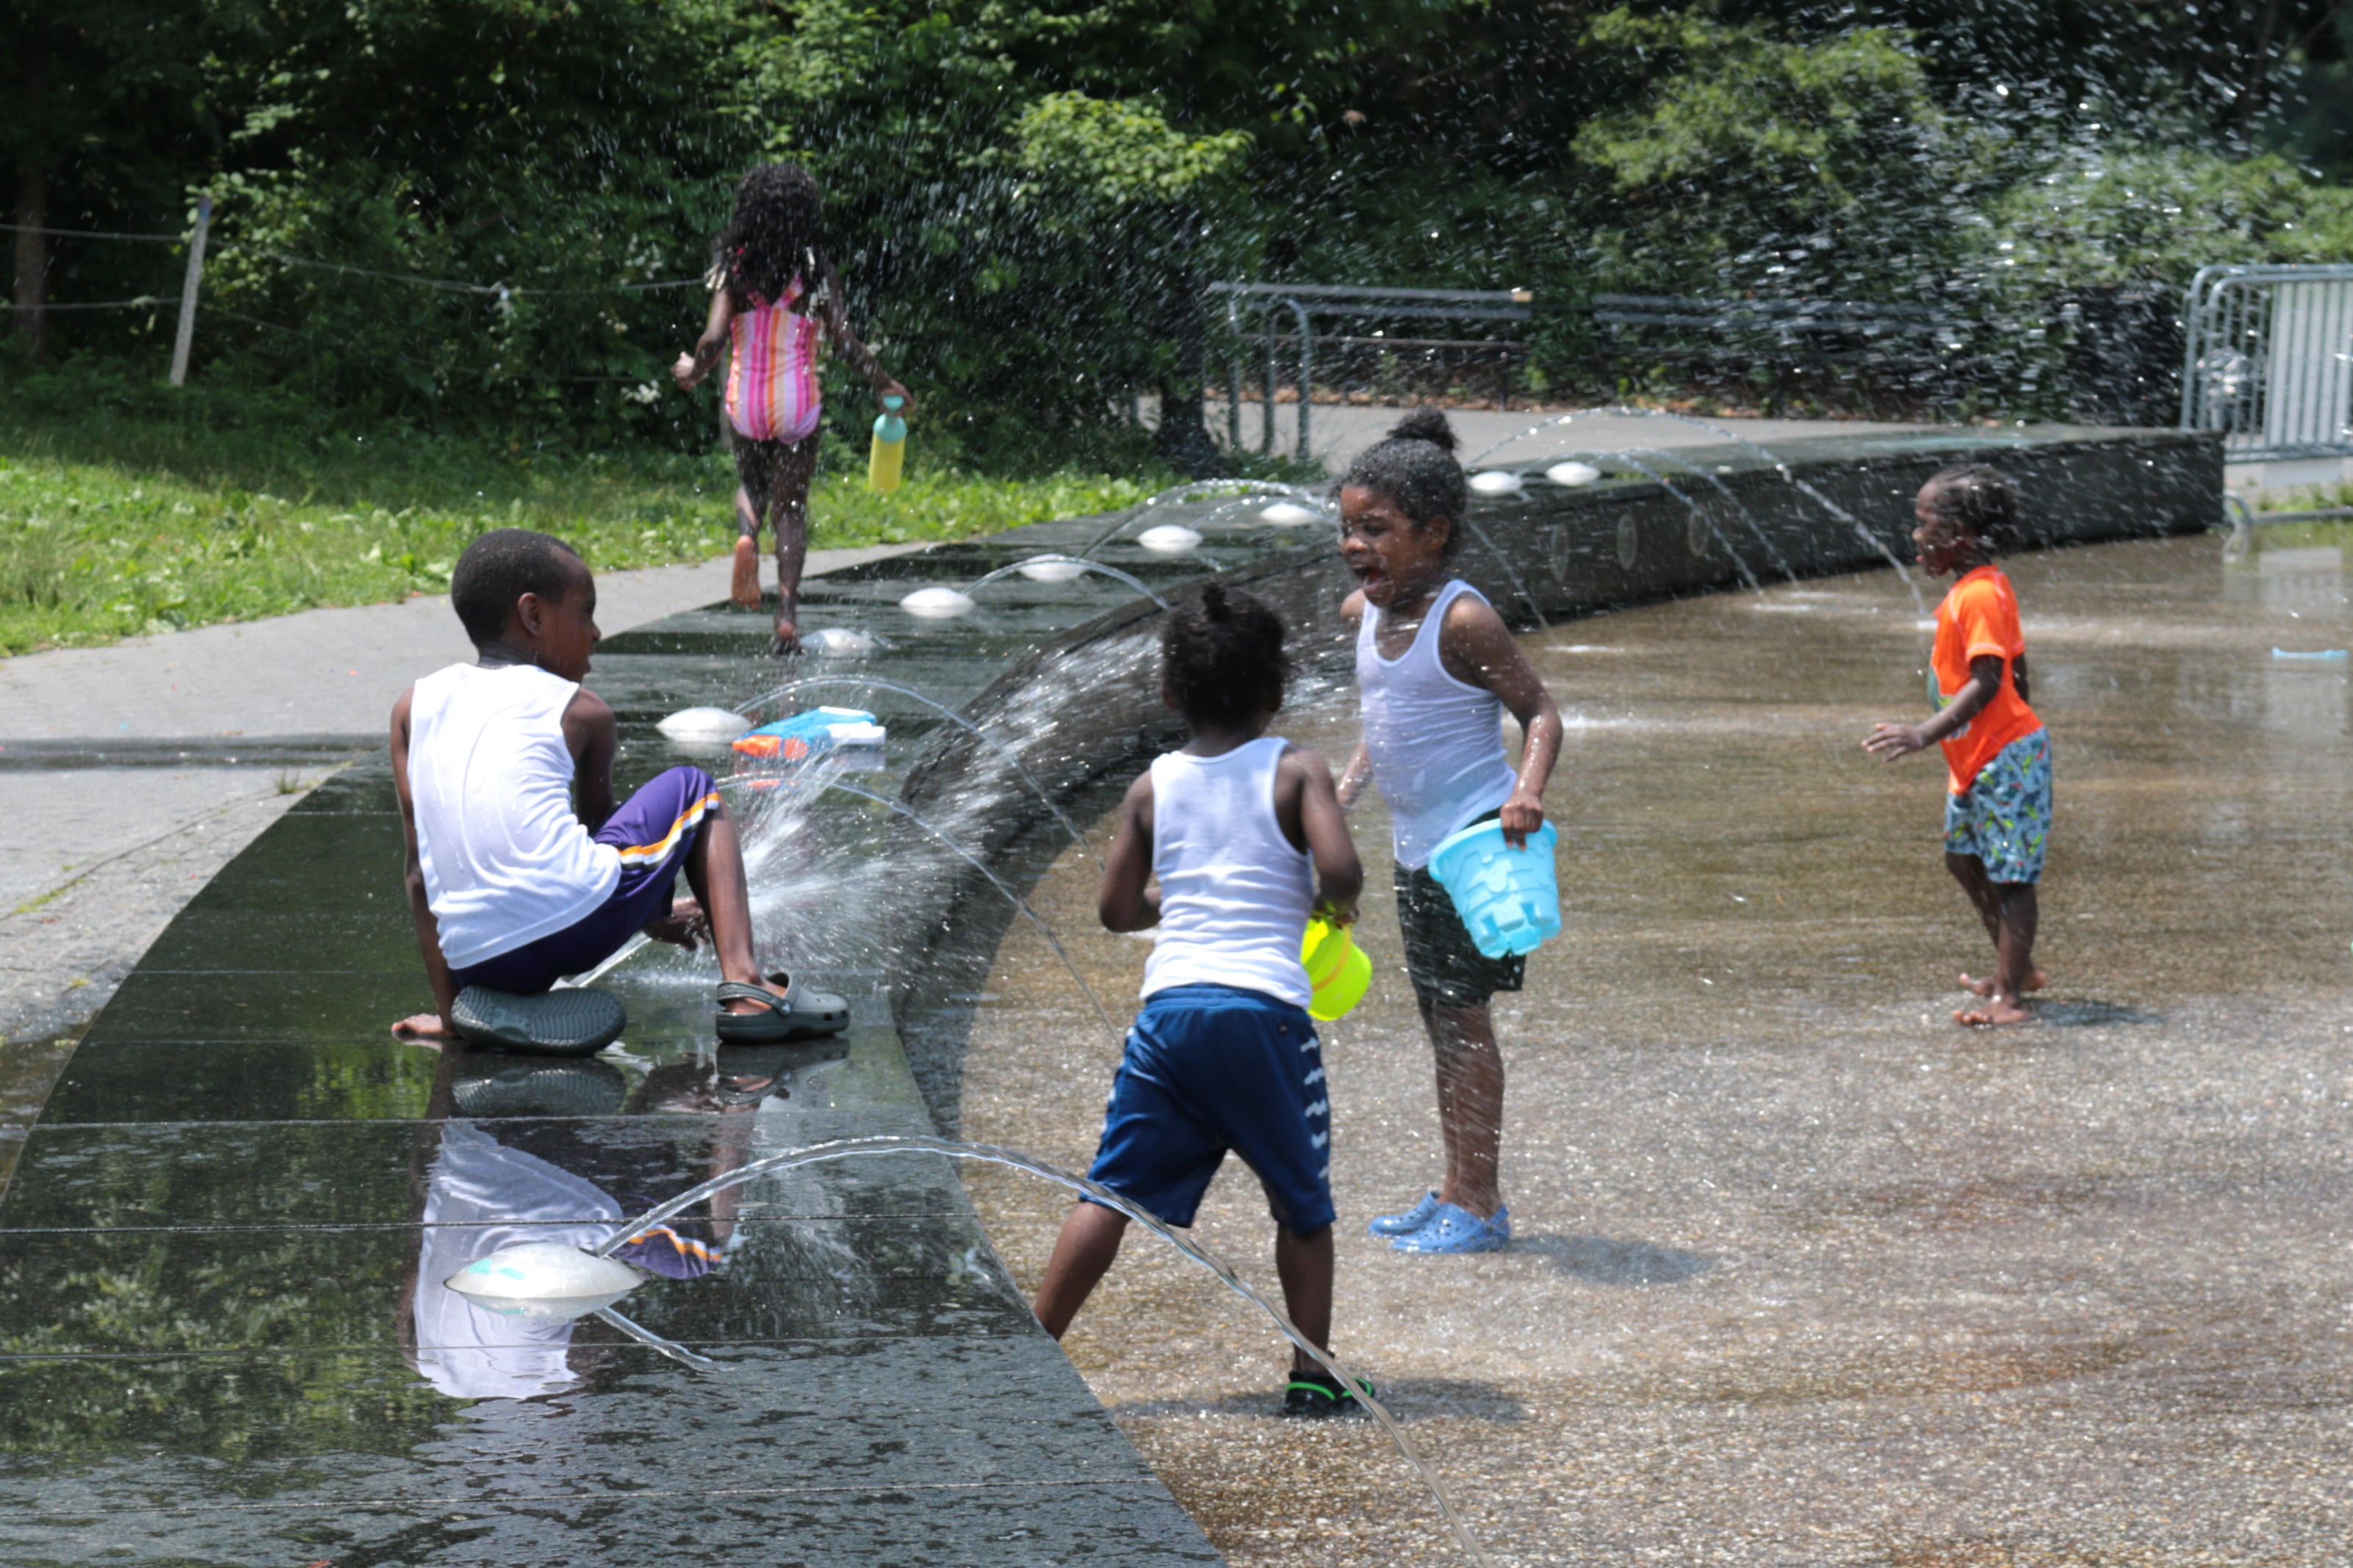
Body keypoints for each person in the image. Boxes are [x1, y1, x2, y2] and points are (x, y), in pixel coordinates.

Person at [1031, 582, 1369, 1416]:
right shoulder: (1296, 767)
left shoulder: (1151, 785)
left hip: (1169, 1015)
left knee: (1107, 1192)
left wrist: (1176, 901)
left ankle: (1031, 1350)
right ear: (1276, 690)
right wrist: (1328, 905)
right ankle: (1312, 1372)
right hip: (1262, 1016)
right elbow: (1341, 870)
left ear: (1168, 691)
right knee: (1302, 1206)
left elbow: (1115, 911)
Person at [389, 527, 848, 1044]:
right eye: (586, 611)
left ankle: (487, 1013)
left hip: (480, 961)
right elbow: (602, 849)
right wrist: (653, 914)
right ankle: (747, 987)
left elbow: (418, 873)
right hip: (575, 929)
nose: (597, 632)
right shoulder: (582, 710)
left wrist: (450, 1016)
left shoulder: (413, 706)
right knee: (694, 788)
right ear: (533, 615)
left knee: (551, 895)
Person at [1336, 407, 1564, 1256]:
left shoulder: (1463, 620)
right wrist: (1347, 784)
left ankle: (1480, 1203)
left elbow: (1539, 711)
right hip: (1414, 848)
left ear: (1433, 533)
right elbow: (1387, 714)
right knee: (1440, 1019)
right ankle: (1451, 1185)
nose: (1356, 546)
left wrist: (1527, 792)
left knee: (1464, 1021)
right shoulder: (1369, 610)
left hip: (1473, 844)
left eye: (1377, 530)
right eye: (1348, 528)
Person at [671, 162, 912, 653]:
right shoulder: (816, 272)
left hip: (747, 401)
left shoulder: (733, 271)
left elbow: (714, 338)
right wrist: (883, 381)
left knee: (751, 484)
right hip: (797, 401)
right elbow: (843, 341)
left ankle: (745, 534)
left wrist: (692, 373)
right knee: (793, 509)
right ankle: (785, 613)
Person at [1864, 464, 2050, 1027]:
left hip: (2004, 759)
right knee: (1963, 859)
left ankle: (2009, 998)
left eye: (1923, 524)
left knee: (2011, 877)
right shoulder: (1970, 590)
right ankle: (2017, 968)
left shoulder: (1979, 595)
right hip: (1980, 759)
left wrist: (1925, 732)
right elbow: (2018, 669)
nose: (1915, 537)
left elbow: (1990, 676)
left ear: (1960, 534)